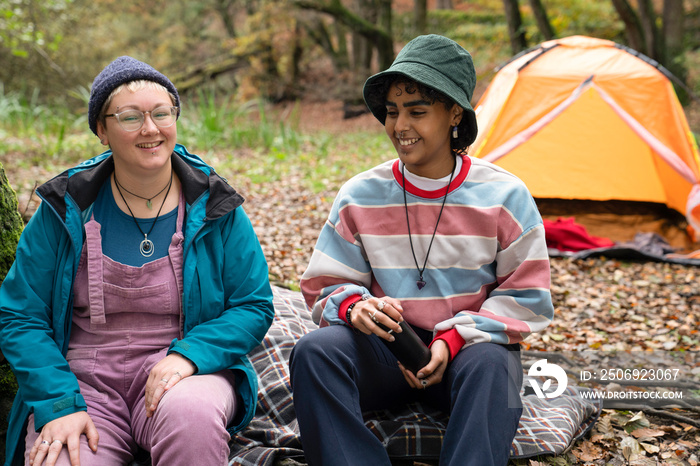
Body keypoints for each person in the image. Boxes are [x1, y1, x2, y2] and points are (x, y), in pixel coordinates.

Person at [289, 34, 554, 465]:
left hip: (468, 354)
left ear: (455, 114)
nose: (400, 126)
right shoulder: (360, 194)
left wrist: (451, 339)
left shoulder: (504, 195)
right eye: (392, 112)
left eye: (418, 111)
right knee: (313, 353)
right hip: (386, 352)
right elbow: (326, 284)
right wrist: (355, 306)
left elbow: (528, 297)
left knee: (497, 370)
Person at [0, 56, 275, 466]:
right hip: (82, 382)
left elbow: (253, 305)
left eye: (162, 113)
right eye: (130, 117)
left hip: (182, 373)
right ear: (102, 130)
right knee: (61, 459)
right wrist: (59, 401)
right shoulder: (65, 208)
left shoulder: (214, 205)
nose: (151, 129)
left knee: (193, 419)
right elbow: (20, 315)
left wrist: (190, 355)